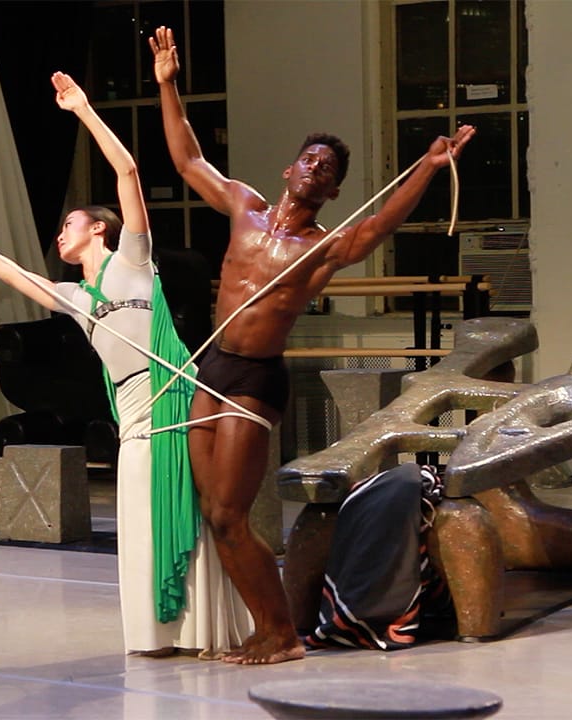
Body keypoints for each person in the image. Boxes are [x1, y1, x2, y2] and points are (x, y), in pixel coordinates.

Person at [150, 25, 476, 664]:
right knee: (214, 515)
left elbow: (380, 224)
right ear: (289, 168)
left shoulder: (323, 247)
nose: (316, 167)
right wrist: (167, 85)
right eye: (309, 159)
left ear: (332, 192)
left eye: (327, 169)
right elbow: (188, 160)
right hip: (211, 367)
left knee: (233, 513)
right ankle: (265, 628)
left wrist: (427, 168)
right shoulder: (243, 208)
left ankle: (282, 635)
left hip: (254, 379)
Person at [0, 71, 251, 658]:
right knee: (142, 510)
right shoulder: (77, 298)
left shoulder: (133, 260)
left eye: (69, 224)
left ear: (99, 228)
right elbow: (15, 275)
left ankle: (201, 630)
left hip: (172, 397)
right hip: (131, 408)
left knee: (184, 506)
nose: (60, 234)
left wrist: (82, 110)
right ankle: (159, 632)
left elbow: (127, 172)